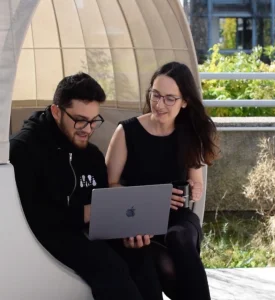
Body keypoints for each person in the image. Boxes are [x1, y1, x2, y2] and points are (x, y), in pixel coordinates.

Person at [9, 72, 163, 300]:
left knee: (140, 257)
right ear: (56, 111)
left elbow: (101, 212)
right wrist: (86, 213)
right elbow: (31, 217)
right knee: (110, 267)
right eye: (80, 120)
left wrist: (126, 233)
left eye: (94, 121)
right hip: (46, 237)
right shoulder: (24, 149)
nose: (88, 129)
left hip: (86, 233)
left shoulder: (90, 154)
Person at [106, 62, 219, 300]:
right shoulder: (126, 131)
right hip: (138, 218)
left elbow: (195, 181)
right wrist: (152, 198)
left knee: (180, 238)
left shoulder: (190, 133)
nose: (159, 104)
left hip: (178, 218)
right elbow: (110, 186)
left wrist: (195, 189)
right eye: (155, 95)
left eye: (169, 98)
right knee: (165, 267)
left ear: (185, 101)